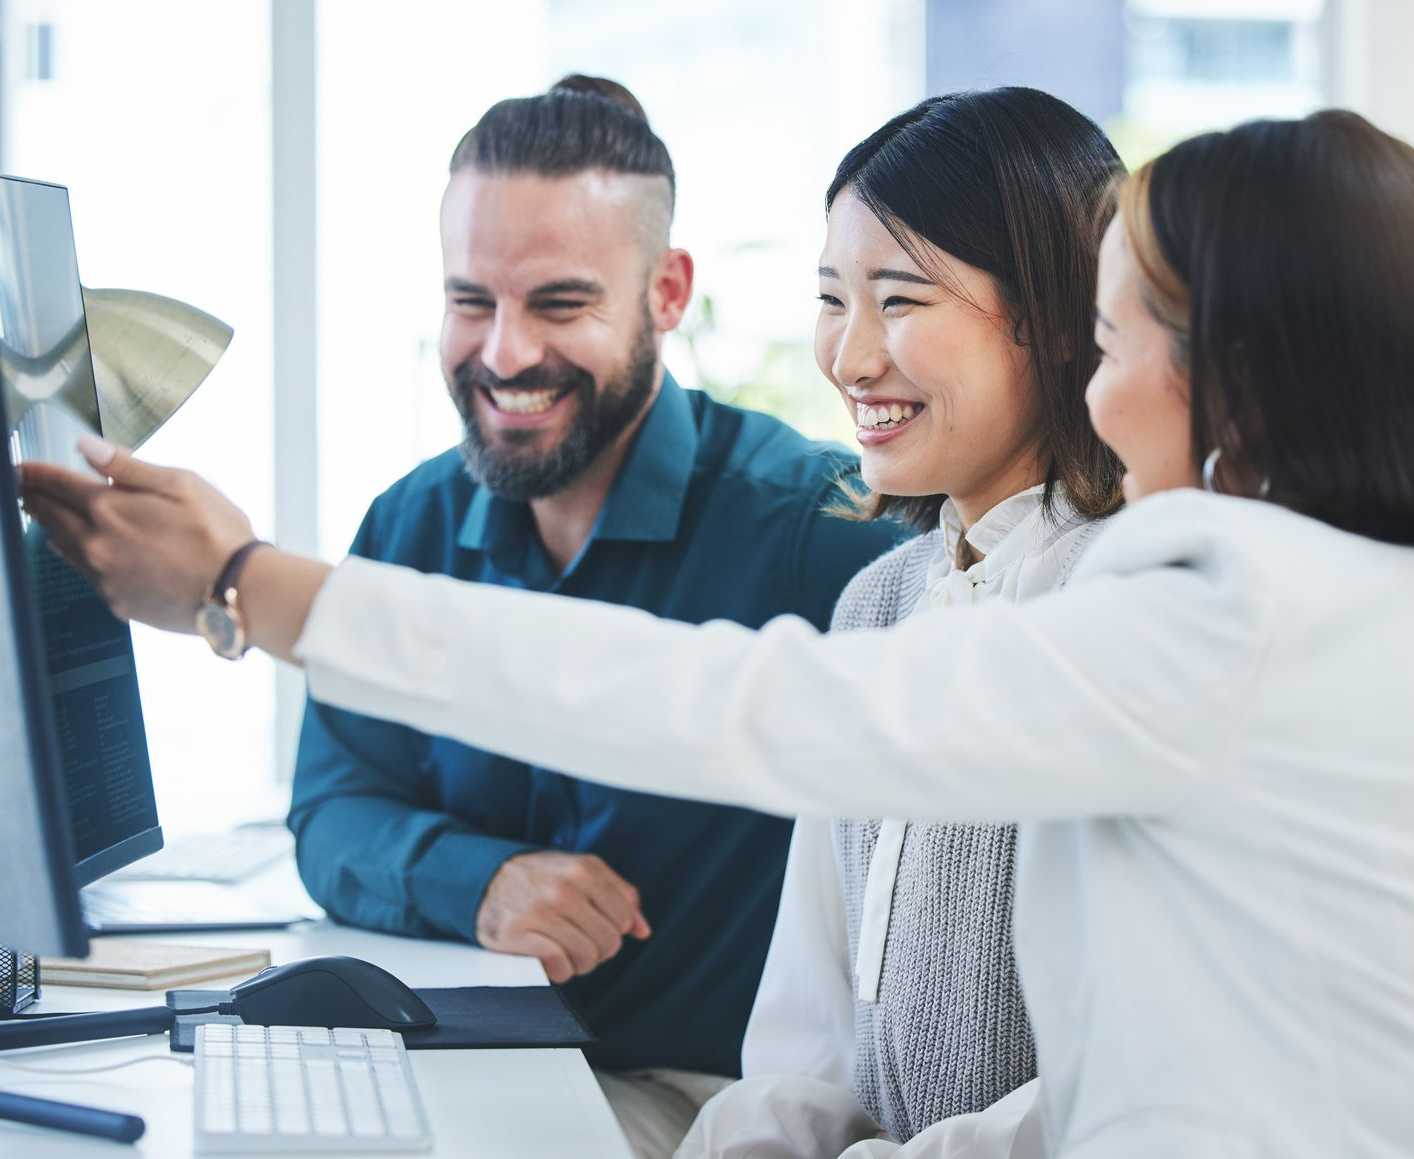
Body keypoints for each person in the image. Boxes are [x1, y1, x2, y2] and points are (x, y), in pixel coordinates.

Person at [24, 107, 1414, 1159]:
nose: (849, 356)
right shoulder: (963, 590)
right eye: (827, 298)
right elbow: (841, 1040)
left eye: (1108, 343)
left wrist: (258, 585)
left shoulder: (1204, 600)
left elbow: (733, 703)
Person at [287, 76, 906, 1158]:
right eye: (471, 301)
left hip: (703, 1094)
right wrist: (474, 878)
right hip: (464, 1063)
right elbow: (334, 806)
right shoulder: (412, 519)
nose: (505, 354)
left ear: (667, 292)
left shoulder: (812, 529)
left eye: (559, 305)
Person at [683, 88, 1124, 1158]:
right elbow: (809, 1032)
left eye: (902, 300)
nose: (849, 356)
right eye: (833, 298)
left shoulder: (1123, 603)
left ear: (1056, 317)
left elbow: (1129, 1077)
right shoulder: (874, 606)